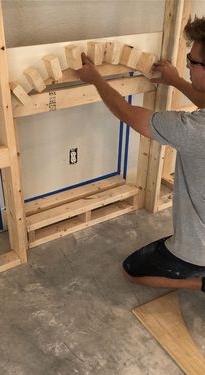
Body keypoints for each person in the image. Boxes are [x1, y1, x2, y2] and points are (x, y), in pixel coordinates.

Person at [76, 16, 205, 292]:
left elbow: (128, 114)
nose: (187, 65)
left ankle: (201, 282)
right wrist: (178, 81)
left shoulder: (193, 130)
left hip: (201, 250)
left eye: (193, 62)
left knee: (133, 271)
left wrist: (96, 79)